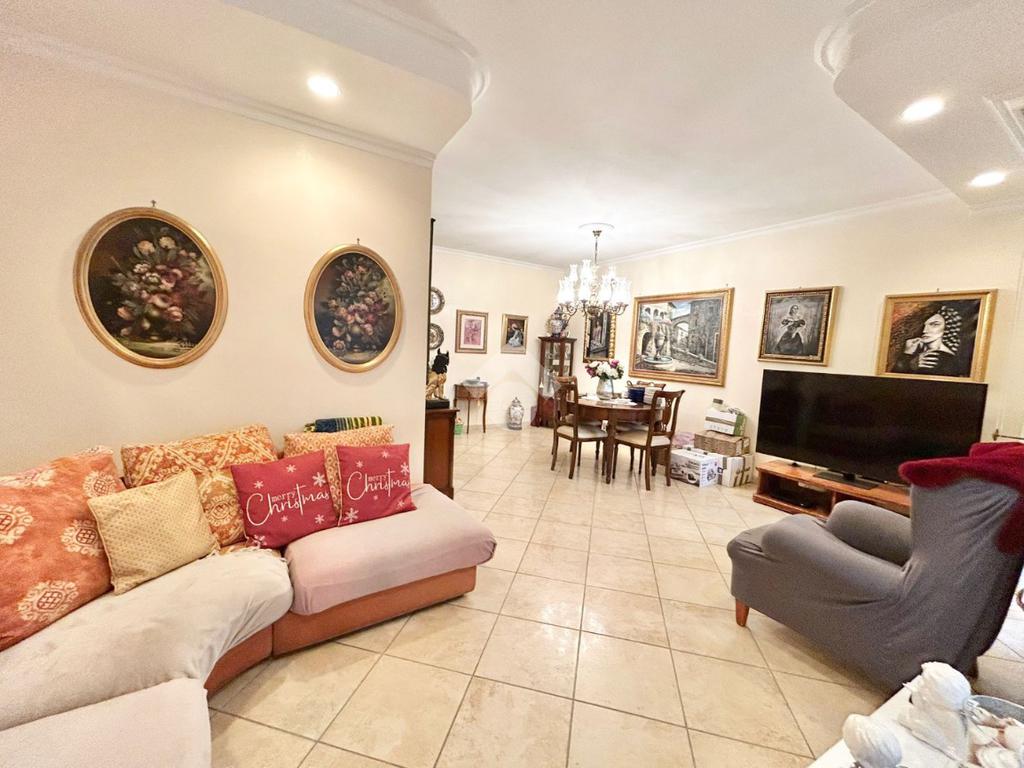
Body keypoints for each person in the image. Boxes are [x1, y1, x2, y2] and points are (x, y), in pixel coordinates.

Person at [892, 305, 966, 376]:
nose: (924, 330)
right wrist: (907, 354)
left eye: (934, 324)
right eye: (924, 325)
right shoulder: (915, 352)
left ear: (947, 327)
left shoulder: (948, 361)